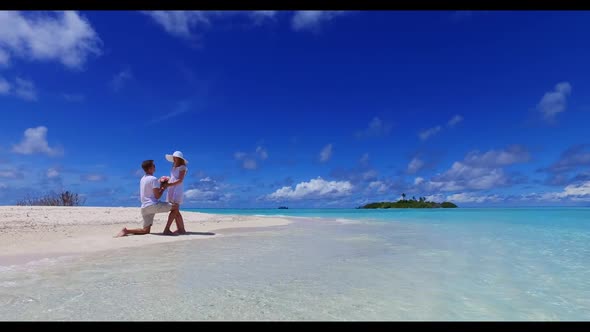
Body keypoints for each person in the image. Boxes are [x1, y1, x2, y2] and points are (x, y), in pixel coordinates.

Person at [115, 160, 178, 237]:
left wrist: (161, 185)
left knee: (146, 231)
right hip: (152, 206)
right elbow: (157, 196)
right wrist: (163, 188)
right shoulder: (153, 179)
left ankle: (126, 231)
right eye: (153, 166)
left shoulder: (143, 179)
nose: (155, 167)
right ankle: (167, 229)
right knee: (175, 207)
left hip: (144, 207)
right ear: (150, 169)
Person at [163, 151, 188, 235]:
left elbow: (180, 180)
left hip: (177, 188)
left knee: (175, 209)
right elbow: (173, 177)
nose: (174, 159)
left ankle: (170, 229)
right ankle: (181, 230)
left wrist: (170, 184)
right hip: (172, 187)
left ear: (180, 159)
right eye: (173, 157)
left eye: (175, 157)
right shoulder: (173, 166)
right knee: (176, 210)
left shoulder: (182, 167)